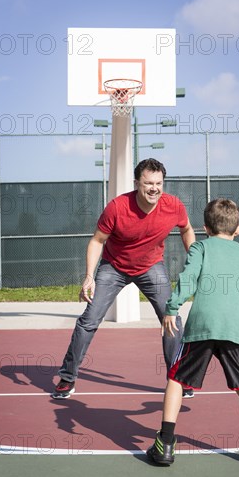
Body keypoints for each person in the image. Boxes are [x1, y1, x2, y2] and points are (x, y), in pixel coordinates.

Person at [147, 198, 239, 467]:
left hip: (202, 327)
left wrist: (172, 308)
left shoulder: (200, 248)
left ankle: (165, 444)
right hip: (233, 330)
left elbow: (187, 279)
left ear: (205, 228)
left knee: (176, 379)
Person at [52, 158, 196, 399]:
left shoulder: (174, 205)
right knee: (89, 320)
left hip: (151, 266)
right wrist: (89, 277)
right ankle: (67, 377)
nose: (154, 188)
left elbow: (187, 229)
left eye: (159, 183)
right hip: (114, 267)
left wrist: (194, 260)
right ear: (136, 183)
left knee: (171, 319)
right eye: (148, 183)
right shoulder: (118, 207)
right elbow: (97, 240)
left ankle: (178, 377)